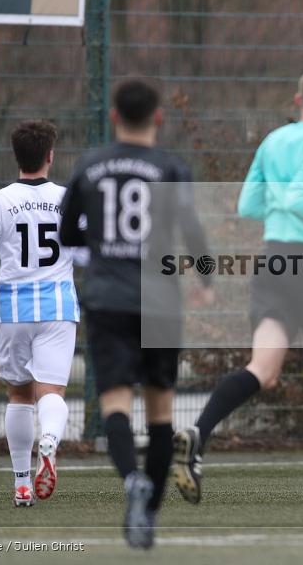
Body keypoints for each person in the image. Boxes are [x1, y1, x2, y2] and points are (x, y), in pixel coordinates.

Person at [172, 68, 303, 517]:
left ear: (297, 100)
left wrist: (286, 206)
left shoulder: (273, 141)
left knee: (262, 370)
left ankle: (198, 434)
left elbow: (249, 204)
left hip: (273, 262)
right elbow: (299, 200)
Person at [58, 79, 213, 549]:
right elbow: (192, 231)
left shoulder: (89, 165)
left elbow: (67, 233)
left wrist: (104, 245)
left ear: (113, 117)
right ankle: (148, 515)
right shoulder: (171, 168)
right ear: (158, 118)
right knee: (161, 411)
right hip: (160, 301)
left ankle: (132, 481)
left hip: (108, 300)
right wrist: (207, 278)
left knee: (116, 403)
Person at [0, 120, 78, 508]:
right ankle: (49, 440)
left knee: (19, 393)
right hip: (57, 307)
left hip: (13, 308)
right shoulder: (67, 198)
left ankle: (21, 484)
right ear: (50, 155)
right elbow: (86, 250)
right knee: (51, 392)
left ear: (17, 157)